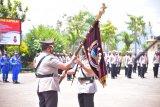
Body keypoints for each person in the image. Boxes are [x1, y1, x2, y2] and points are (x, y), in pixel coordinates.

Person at [33, 39, 76, 107]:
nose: (51, 49)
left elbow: (44, 71)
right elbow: (65, 67)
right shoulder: (49, 58)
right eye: (51, 48)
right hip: (48, 86)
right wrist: (72, 59)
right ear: (48, 48)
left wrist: (57, 76)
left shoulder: (38, 57)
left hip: (40, 86)